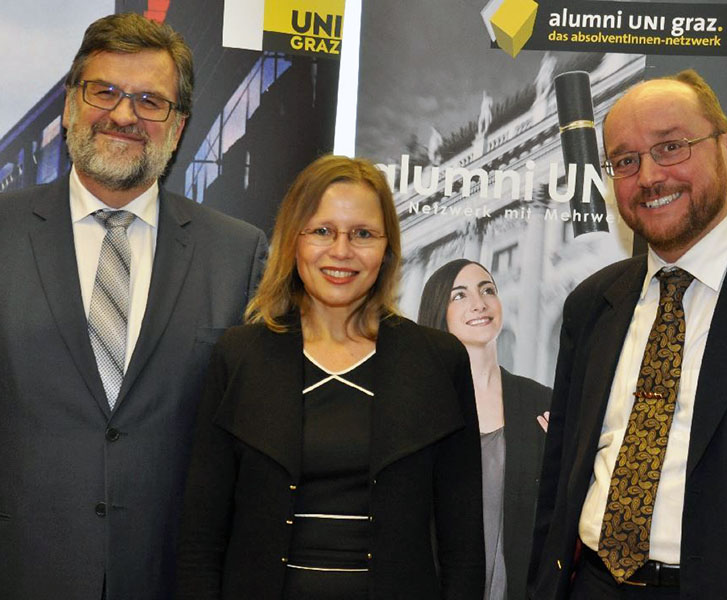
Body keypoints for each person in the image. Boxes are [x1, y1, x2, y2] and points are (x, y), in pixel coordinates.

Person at [0, 13, 267, 600]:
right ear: (72, 104)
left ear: (178, 127)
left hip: (171, 575)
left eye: (151, 100)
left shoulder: (238, 252)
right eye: (105, 92)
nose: (124, 115)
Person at [529, 68, 727, 600]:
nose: (649, 176)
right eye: (625, 161)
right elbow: (559, 477)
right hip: (594, 585)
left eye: (671, 147)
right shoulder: (592, 304)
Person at [176, 155, 485, 599]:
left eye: (362, 234)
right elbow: (201, 541)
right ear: (293, 241)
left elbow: (463, 548)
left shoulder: (439, 361)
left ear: (387, 248)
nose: (341, 251)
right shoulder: (239, 356)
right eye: (322, 231)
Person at [418, 259, 551, 600]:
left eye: (488, 290)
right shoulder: (420, 408)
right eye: (459, 295)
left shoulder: (542, 403)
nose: (479, 303)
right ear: (438, 312)